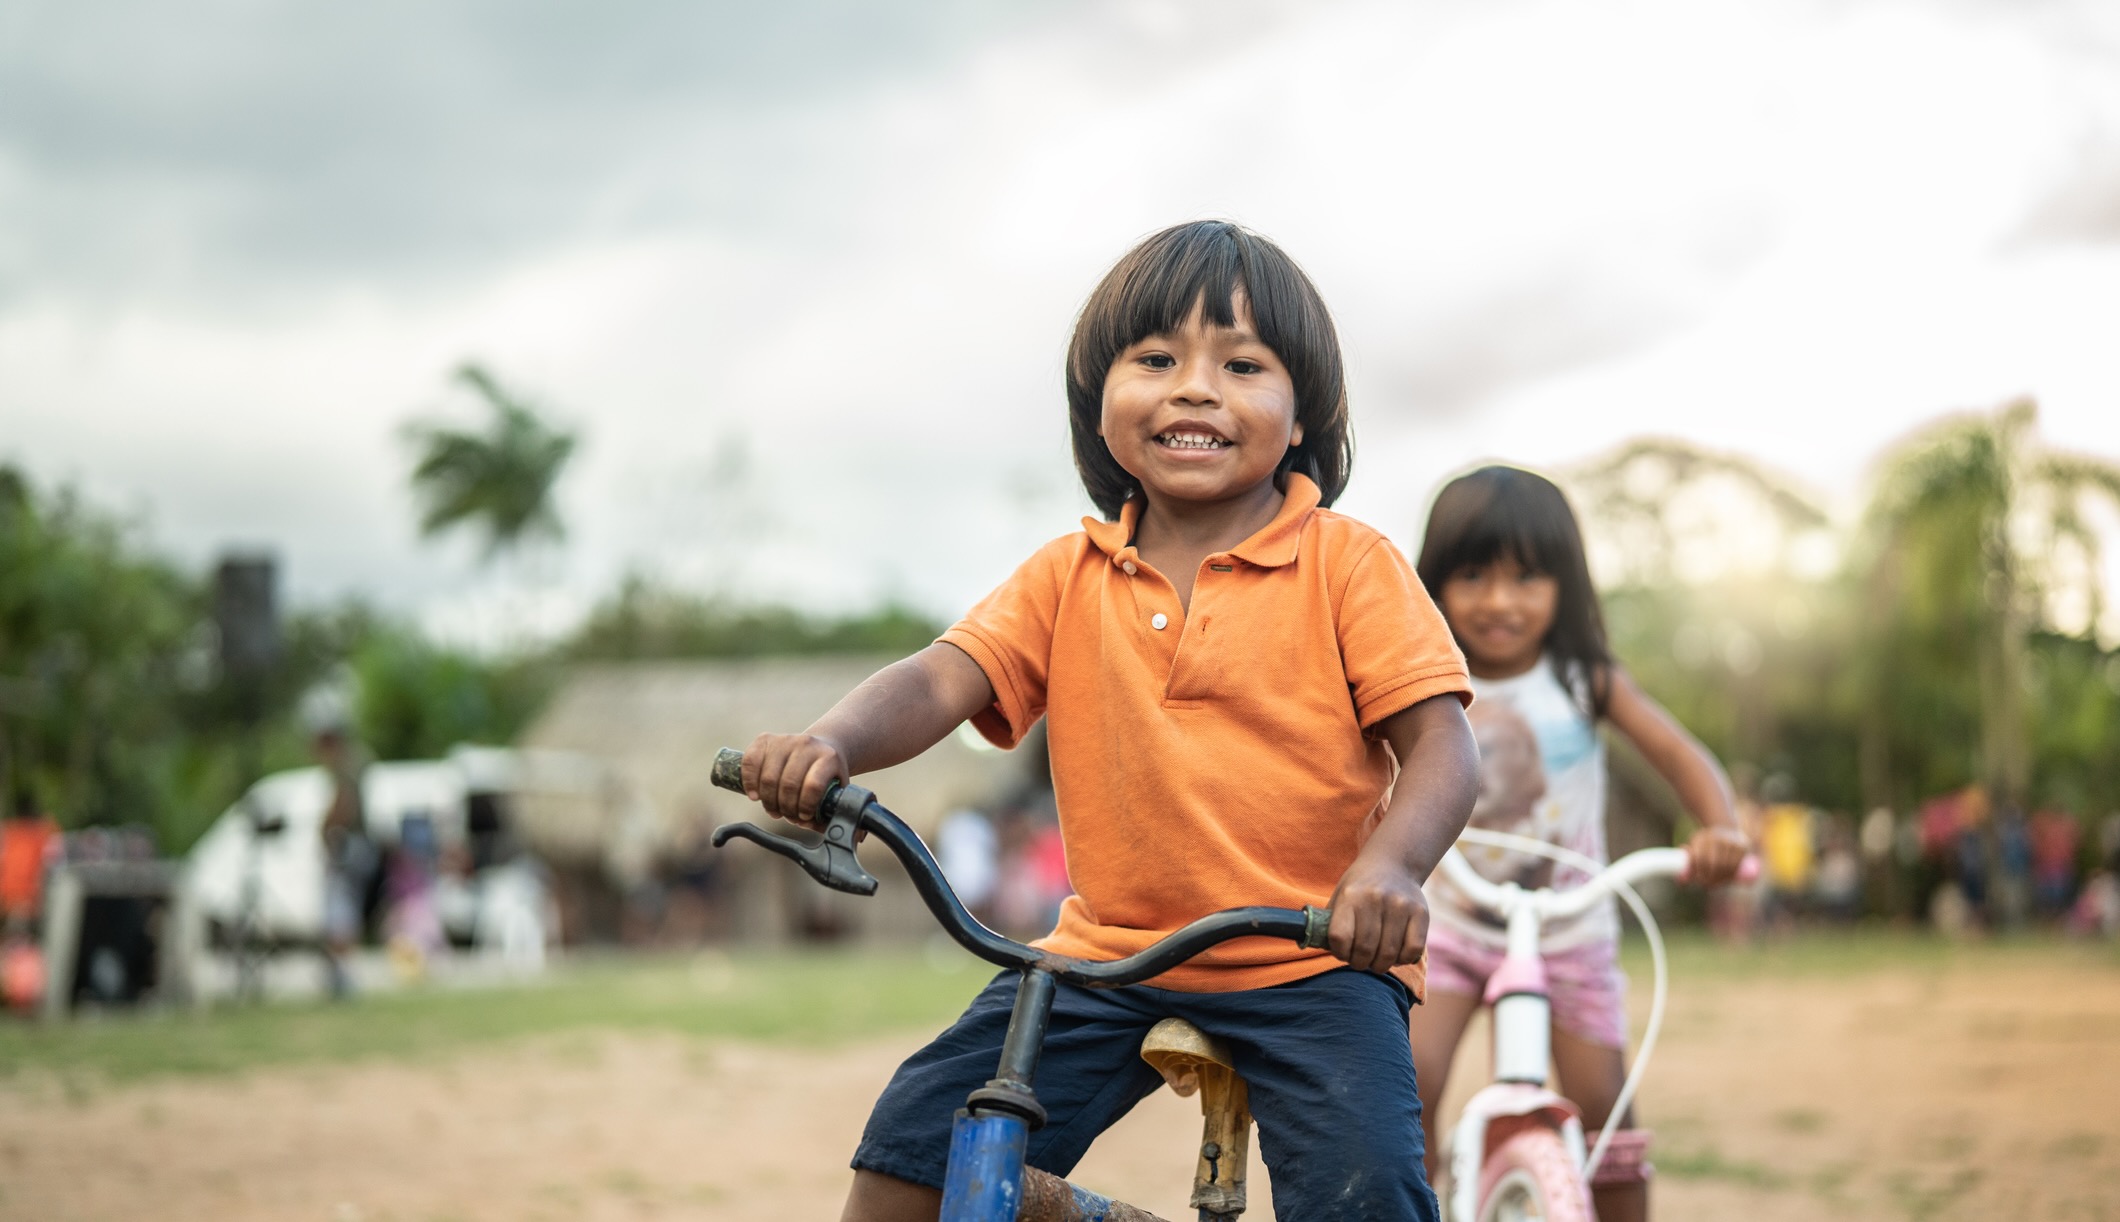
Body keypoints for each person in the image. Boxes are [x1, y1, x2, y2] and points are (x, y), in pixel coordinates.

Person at [736, 220, 1478, 1221]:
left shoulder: (1347, 563)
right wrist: (829, 741)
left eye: (1242, 363)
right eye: (1156, 359)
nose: (1194, 387)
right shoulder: (1065, 575)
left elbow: (1440, 744)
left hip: (1311, 959)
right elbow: (941, 677)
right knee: (911, 1156)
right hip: (1105, 958)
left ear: (1301, 416)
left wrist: (1386, 871)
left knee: (1370, 1195)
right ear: (1101, 404)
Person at [1406, 465, 1750, 1222]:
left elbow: (1681, 755)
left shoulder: (1583, 678)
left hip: (1569, 929)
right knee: (1408, 1088)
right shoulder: (1421, 677)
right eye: (1472, 576)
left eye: (1527, 577)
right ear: (1434, 581)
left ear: (1564, 584)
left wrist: (1720, 827)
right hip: (1449, 927)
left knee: (1607, 1118)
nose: (1500, 601)